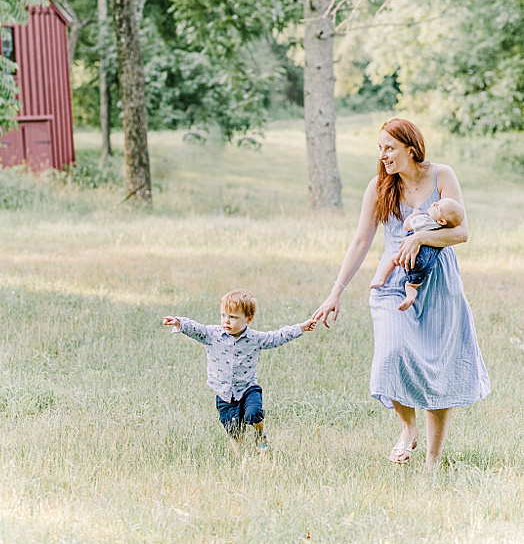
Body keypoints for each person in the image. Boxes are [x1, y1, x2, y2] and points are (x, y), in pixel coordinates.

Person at [312, 118, 490, 468]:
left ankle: (433, 461)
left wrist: (421, 236)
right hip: (391, 284)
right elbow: (362, 241)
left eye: (389, 148)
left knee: (438, 368)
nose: (383, 156)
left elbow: (462, 232)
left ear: (410, 149)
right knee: (390, 355)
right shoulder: (379, 187)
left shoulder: (442, 176)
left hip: (438, 283)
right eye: (380, 149)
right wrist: (335, 292)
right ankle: (408, 428)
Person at [163, 289, 317, 451]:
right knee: (234, 431)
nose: (226, 321)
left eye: (233, 317)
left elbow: (276, 336)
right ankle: (243, 460)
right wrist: (178, 322)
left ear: (248, 319)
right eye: (224, 316)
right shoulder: (212, 334)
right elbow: (196, 328)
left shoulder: (255, 339)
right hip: (224, 393)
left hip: (248, 388)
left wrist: (301, 328)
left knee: (254, 413)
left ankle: (260, 436)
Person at [368, 197, 465, 313]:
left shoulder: (425, 221)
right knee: (411, 285)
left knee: (393, 260)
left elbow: (407, 226)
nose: (434, 203)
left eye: (437, 207)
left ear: (442, 221)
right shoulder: (442, 233)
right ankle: (410, 296)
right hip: (425, 268)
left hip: (411, 257)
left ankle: (380, 279)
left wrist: (414, 215)